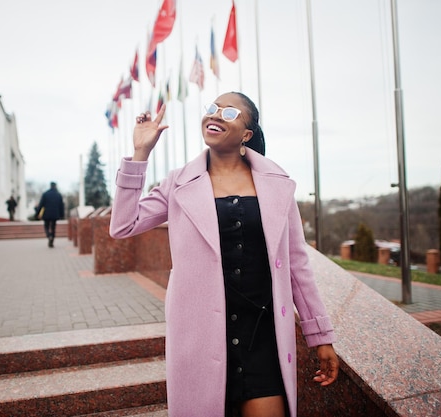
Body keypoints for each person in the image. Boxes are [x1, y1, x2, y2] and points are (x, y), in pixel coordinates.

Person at [109, 92, 338, 417]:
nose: (215, 116)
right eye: (211, 109)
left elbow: (297, 266)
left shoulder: (277, 185)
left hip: (263, 337)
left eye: (228, 112)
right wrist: (140, 154)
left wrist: (320, 336)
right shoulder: (178, 184)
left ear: (246, 134)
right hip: (202, 339)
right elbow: (123, 225)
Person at [36, 182, 65, 248]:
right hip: (55, 214)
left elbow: (41, 205)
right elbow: (61, 206)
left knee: (46, 226)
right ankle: (52, 239)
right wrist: (62, 215)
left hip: (47, 214)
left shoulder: (45, 194)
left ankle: (49, 236)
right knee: (53, 227)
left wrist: (37, 213)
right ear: (55, 186)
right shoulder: (58, 195)